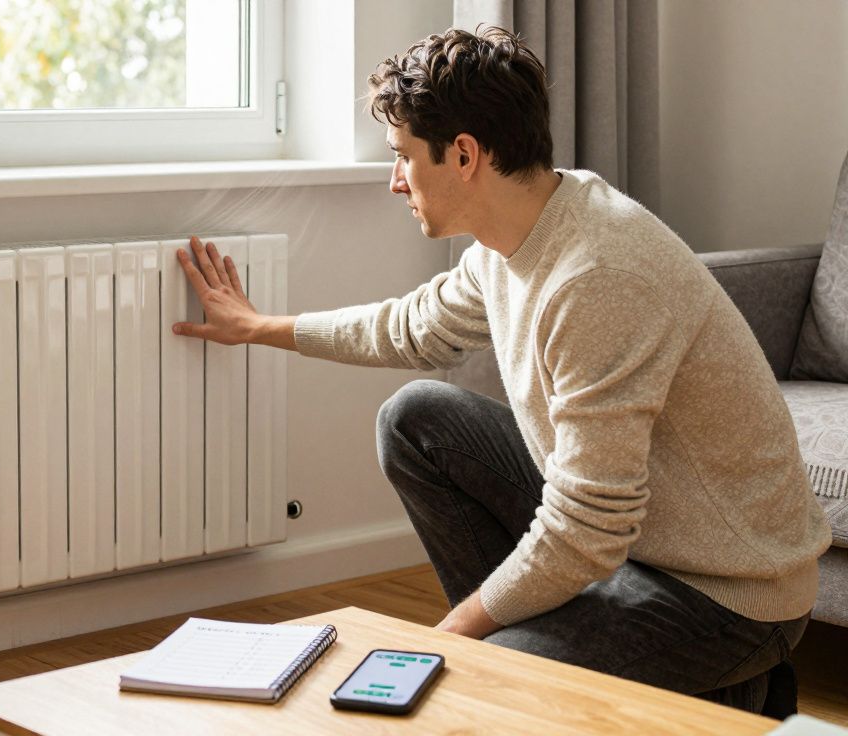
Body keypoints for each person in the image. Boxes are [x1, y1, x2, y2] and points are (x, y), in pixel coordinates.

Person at [171, 26, 831, 715]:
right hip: (637, 547)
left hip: (726, 594)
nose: (395, 181)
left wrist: (457, 636)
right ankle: (551, 644)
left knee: (479, 684)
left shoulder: (598, 276)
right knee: (416, 418)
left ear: (463, 155)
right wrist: (258, 329)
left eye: (402, 158)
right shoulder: (519, 234)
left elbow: (588, 527)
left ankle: (738, 687)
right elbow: (411, 328)